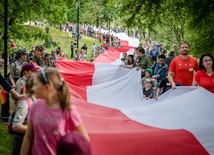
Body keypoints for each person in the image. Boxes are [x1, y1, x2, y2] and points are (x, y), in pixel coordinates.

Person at [20, 67, 89, 155]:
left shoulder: (68, 110)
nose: (32, 88)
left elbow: (84, 139)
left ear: (47, 87)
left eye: (35, 85)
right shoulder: (35, 106)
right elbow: (29, 137)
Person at [12, 77, 35, 155]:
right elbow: (16, 126)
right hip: (21, 141)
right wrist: (37, 129)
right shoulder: (25, 104)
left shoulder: (38, 101)